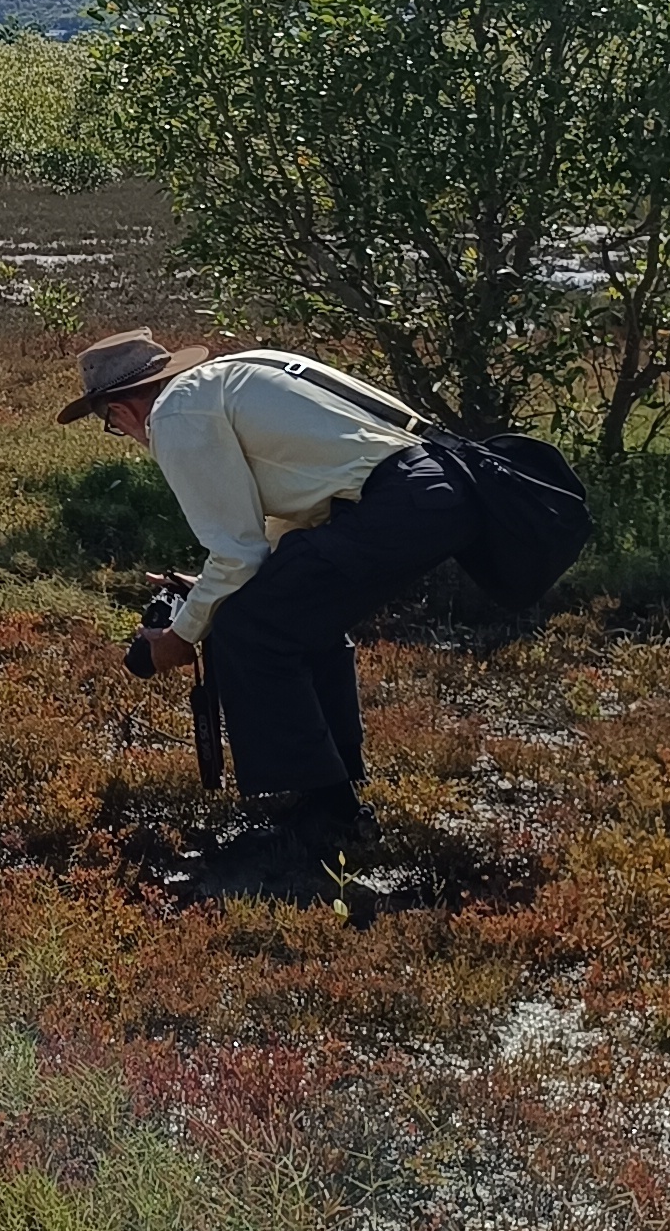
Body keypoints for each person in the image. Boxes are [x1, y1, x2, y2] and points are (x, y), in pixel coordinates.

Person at [62, 328, 479, 899]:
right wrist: (206, 588)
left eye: (113, 424)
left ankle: (323, 810)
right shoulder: (228, 378)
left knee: (247, 631)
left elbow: (239, 552)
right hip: (430, 488)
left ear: (122, 407)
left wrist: (180, 635)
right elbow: (283, 521)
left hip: (396, 503)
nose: (125, 434)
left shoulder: (177, 412)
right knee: (290, 618)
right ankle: (333, 796)